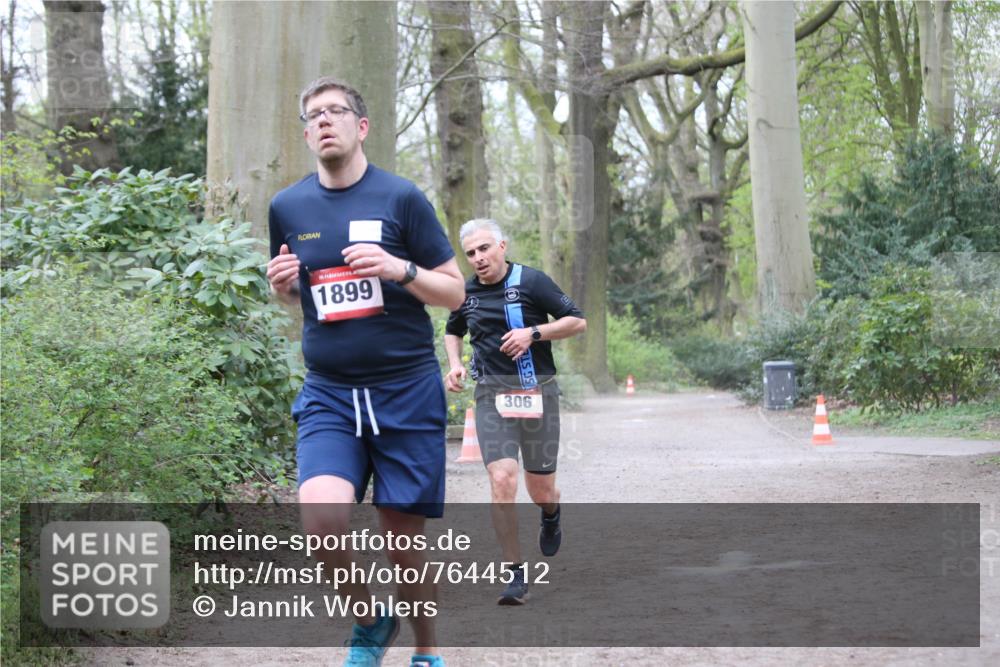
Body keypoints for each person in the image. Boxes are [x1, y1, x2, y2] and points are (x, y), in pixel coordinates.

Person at [266, 76, 463, 667]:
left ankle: (426, 651)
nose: (324, 120)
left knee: (402, 544)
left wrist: (399, 269)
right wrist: (283, 290)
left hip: (405, 391)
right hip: (330, 393)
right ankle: (371, 620)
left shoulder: (402, 199)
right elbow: (301, 294)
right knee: (321, 520)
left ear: (361, 125)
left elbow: (455, 293)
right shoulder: (287, 206)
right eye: (313, 115)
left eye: (336, 111)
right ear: (307, 133)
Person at [443, 219, 586, 605]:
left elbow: (577, 321)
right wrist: (454, 363)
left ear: (502, 246)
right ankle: (515, 574)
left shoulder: (532, 281)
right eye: (471, 253)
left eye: (485, 249)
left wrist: (533, 333)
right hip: (492, 395)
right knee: (502, 478)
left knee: (539, 490)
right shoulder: (465, 292)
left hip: (538, 392)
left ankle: (551, 513)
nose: (478, 258)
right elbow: (452, 329)